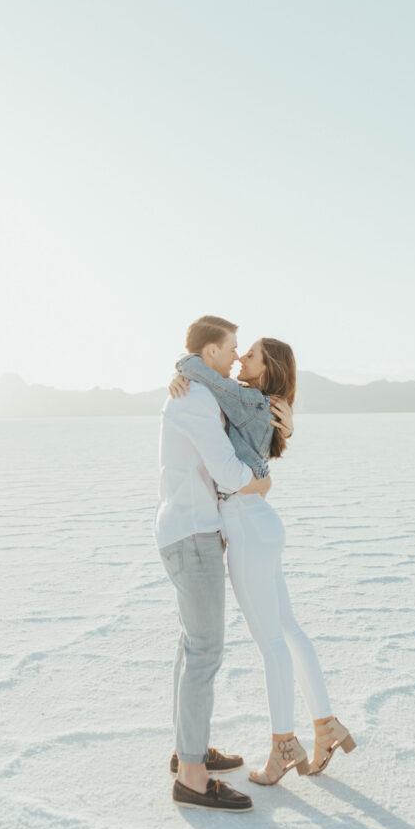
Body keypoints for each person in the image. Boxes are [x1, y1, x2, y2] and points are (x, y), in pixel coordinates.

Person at [168, 336, 356, 786]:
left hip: (248, 525)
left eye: (248, 354)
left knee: (271, 640)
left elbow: (206, 376)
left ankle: (283, 745)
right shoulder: (265, 403)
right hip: (260, 523)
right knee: (288, 630)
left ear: (267, 369)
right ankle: (326, 725)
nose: (239, 359)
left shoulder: (249, 397)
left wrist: (183, 366)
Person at [155, 315, 292, 812]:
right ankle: (192, 776)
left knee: (193, 645)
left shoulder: (199, 388)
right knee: (206, 650)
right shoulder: (193, 397)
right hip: (192, 532)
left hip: (191, 528)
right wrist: (258, 481)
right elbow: (228, 472)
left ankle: (186, 751)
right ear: (209, 352)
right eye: (231, 347)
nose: (236, 357)